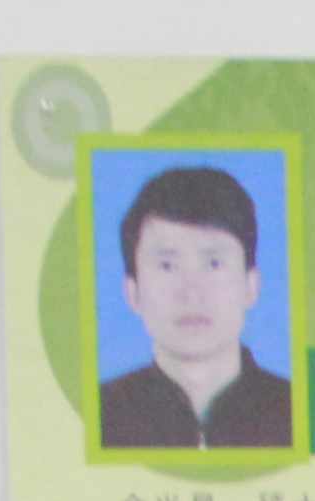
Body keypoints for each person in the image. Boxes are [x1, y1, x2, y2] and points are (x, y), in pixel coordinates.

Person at [99, 162, 295, 450]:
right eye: (167, 266)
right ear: (133, 291)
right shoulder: (99, 416)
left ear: (251, 285)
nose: (191, 293)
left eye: (213, 263)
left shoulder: (296, 412)